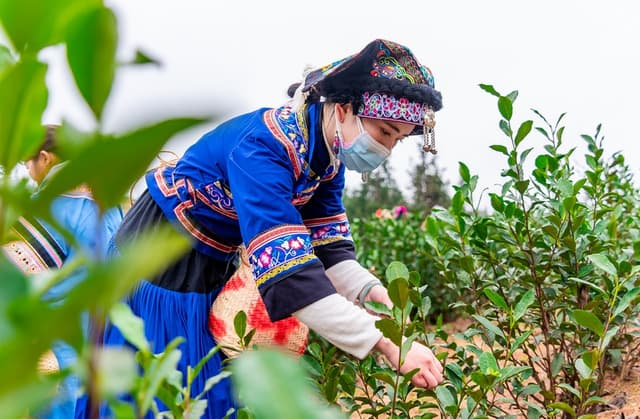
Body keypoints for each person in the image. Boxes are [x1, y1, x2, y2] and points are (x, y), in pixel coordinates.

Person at [102, 38, 444, 418]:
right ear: (344, 109)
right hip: (161, 258)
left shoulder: (326, 160)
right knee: (168, 387)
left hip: (210, 261)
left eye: (397, 140)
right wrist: (385, 343)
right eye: (384, 132)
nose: (386, 148)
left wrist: (373, 294)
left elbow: (330, 250)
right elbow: (290, 276)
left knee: (209, 387)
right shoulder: (264, 149)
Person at [17, 125, 123, 418]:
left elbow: (13, 272)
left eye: (28, 162)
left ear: (45, 158)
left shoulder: (55, 204)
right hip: (106, 341)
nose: (28, 171)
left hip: (59, 345)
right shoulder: (109, 203)